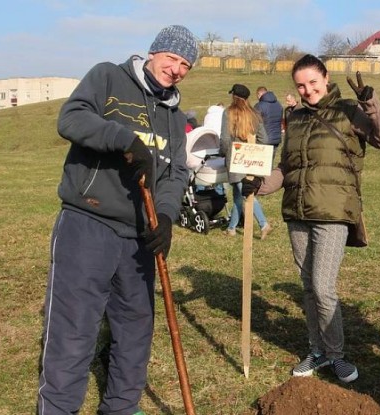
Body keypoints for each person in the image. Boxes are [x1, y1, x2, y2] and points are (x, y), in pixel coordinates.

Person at [37, 25, 198, 415]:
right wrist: (123, 139)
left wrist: (165, 215)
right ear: (155, 52)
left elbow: (176, 173)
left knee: (135, 333)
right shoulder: (109, 76)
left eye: (185, 65)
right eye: (172, 58)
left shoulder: (175, 118)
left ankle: (120, 409)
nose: (176, 69)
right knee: (73, 331)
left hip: (140, 238)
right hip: (88, 223)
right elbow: (71, 118)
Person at [242, 54, 380, 383]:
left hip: (333, 212)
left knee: (323, 287)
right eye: (300, 85)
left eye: (313, 82)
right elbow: (288, 167)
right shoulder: (295, 117)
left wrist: (370, 103)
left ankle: (336, 355)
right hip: (297, 213)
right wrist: (260, 184)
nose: (307, 89)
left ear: (325, 78)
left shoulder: (349, 110)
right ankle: (316, 350)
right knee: (309, 287)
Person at [219, 83, 273, 239]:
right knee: (238, 193)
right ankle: (231, 228)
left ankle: (264, 224)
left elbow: (224, 139)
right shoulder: (255, 114)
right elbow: (265, 139)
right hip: (252, 159)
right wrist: (257, 154)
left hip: (236, 159)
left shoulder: (228, 113)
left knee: (246, 194)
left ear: (233, 96)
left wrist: (223, 153)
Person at [254, 86, 283, 159]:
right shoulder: (279, 105)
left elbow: (255, 123)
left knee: (261, 163)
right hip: (276, 138)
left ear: (259, 94)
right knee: (270, 163)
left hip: (263, 139)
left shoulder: (259, 106)